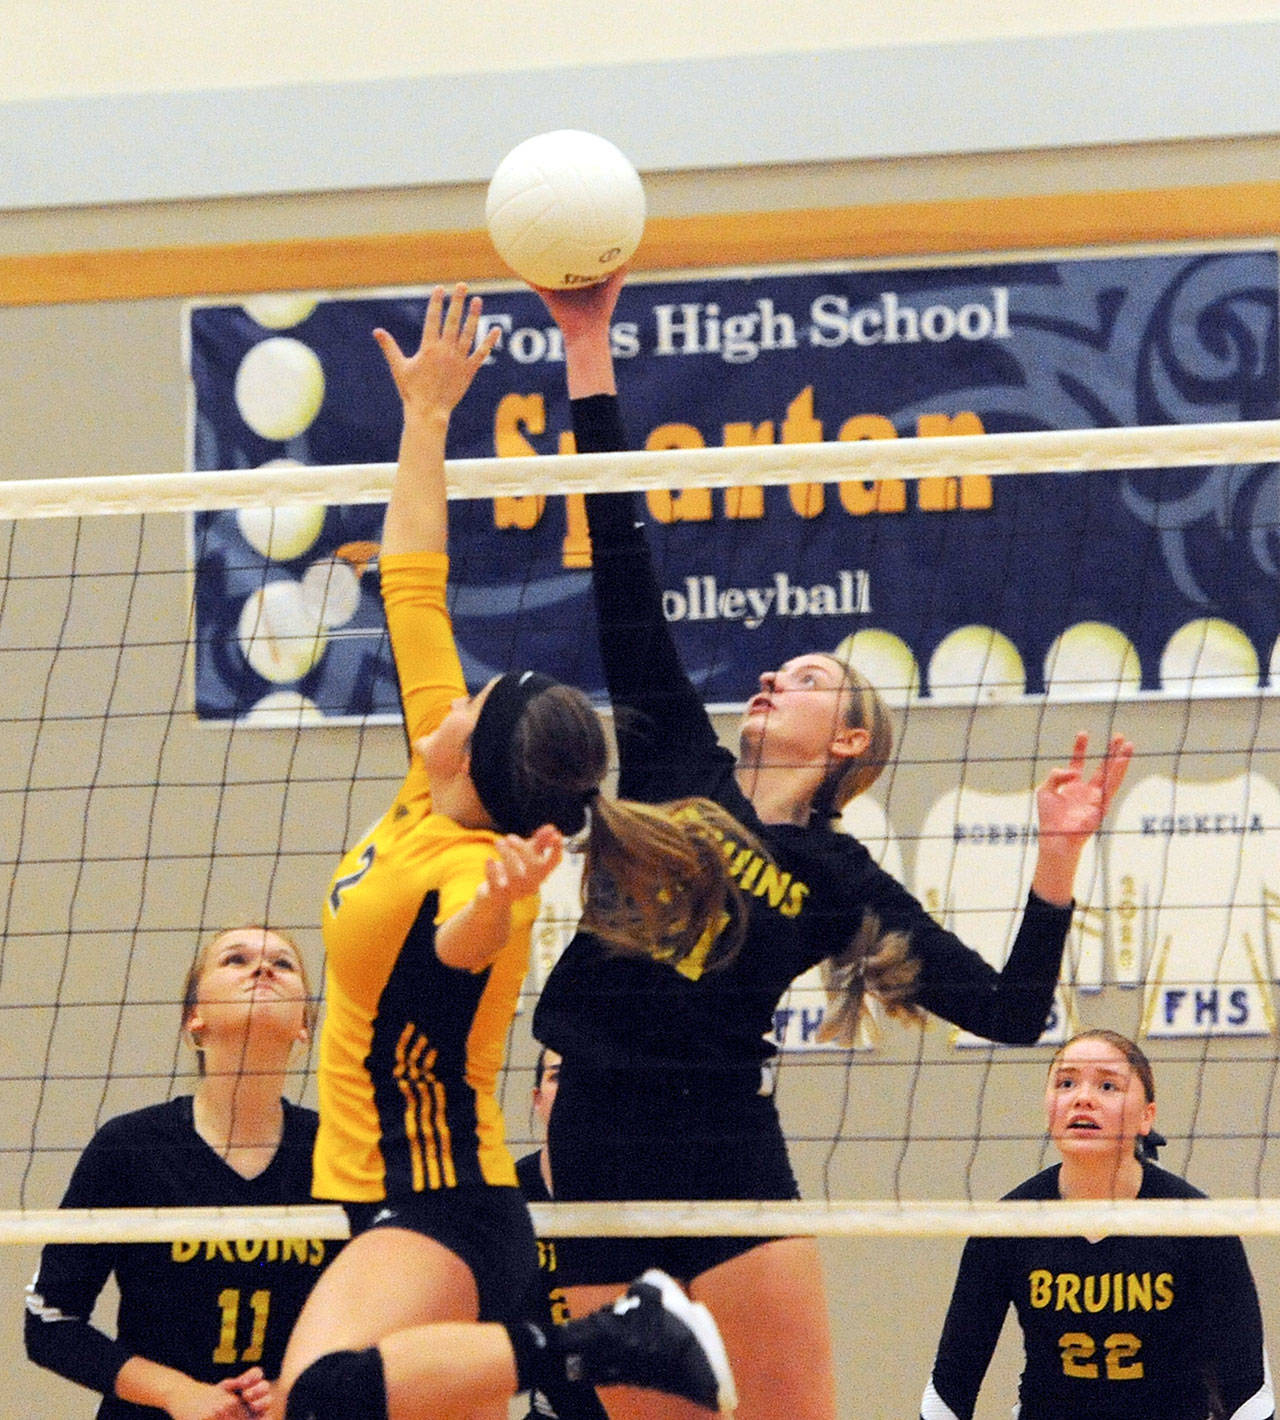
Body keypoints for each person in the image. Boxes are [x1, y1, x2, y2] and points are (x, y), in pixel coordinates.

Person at [528, 269, 1136, 1420]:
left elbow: (1010, 1012)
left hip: (721, 1145)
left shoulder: (839, 878)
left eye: (806, 679)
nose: (770, 678)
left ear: (848, 736)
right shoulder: (673, 765)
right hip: (594, 1131)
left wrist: (1055, 857)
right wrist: (587, 344)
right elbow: (618, 555)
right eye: (772, 672)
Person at [269, 285, 741, 1420]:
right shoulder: (437, 775)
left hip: (439, 1203)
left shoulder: (475, 873)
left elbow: (459, 942)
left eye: (463, 711)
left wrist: (496, 903)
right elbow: (413, 579)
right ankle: (593, 1343)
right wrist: (426, 416)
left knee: (321, 1400)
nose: (442, 706)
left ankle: (613, 1337)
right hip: (385, 1197)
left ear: (478, 768)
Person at [24, 924, 327, 1420]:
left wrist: (294, 1391)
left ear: (304, 1027)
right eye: (236, 959)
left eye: (284, 963)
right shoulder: (131, 1147)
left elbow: (388, 1319)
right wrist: (177, 1393)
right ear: (195, 1019)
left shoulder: (340, 1153)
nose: (263, 968)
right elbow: (50, 1321)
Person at [920, 1029, 1274, 1419]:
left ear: (1146, 1117)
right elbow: (950, 1385)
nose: (1082, 1098)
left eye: (1108, 1085)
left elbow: (1251, 1392)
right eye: (1066, 1083)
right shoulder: (1008, 1225)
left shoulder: (1196, 1223)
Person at [516, 1049, 610, 1420]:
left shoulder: (644, 1189)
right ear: (537, 1099)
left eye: (581, 1075)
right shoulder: (510, 1193)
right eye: (556, 1076)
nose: (570, 1087)